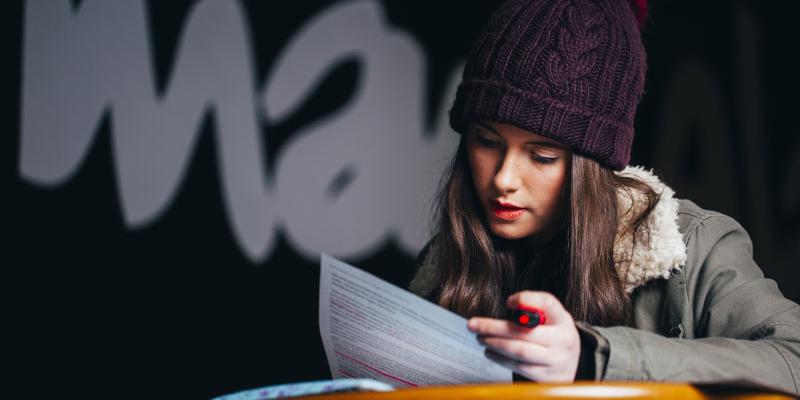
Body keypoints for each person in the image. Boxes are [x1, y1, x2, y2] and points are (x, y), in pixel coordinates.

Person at [407, 0, 800, 393]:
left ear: (592, 168)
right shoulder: (446, 258)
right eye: (486, 141)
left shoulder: (692, 247)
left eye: (543, 157)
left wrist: (592, 357)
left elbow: (792, 358)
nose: (504, 179)